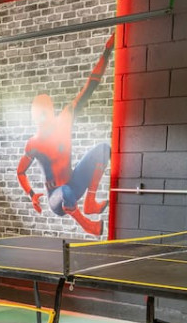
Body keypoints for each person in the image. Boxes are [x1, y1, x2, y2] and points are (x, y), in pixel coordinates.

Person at [16, 33, 114, 236]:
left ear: (51, 111)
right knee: (66, 192)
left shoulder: (65, 118)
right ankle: (87, 224)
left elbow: (91, 85)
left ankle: (90, 201)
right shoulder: (34, 144)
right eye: (37, 115)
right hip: (56, 197)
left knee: (103, 149)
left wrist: (107, 51)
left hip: (74, 182)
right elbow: (20, 172)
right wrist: (32, 194)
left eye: (43, 113)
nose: (41, 119)